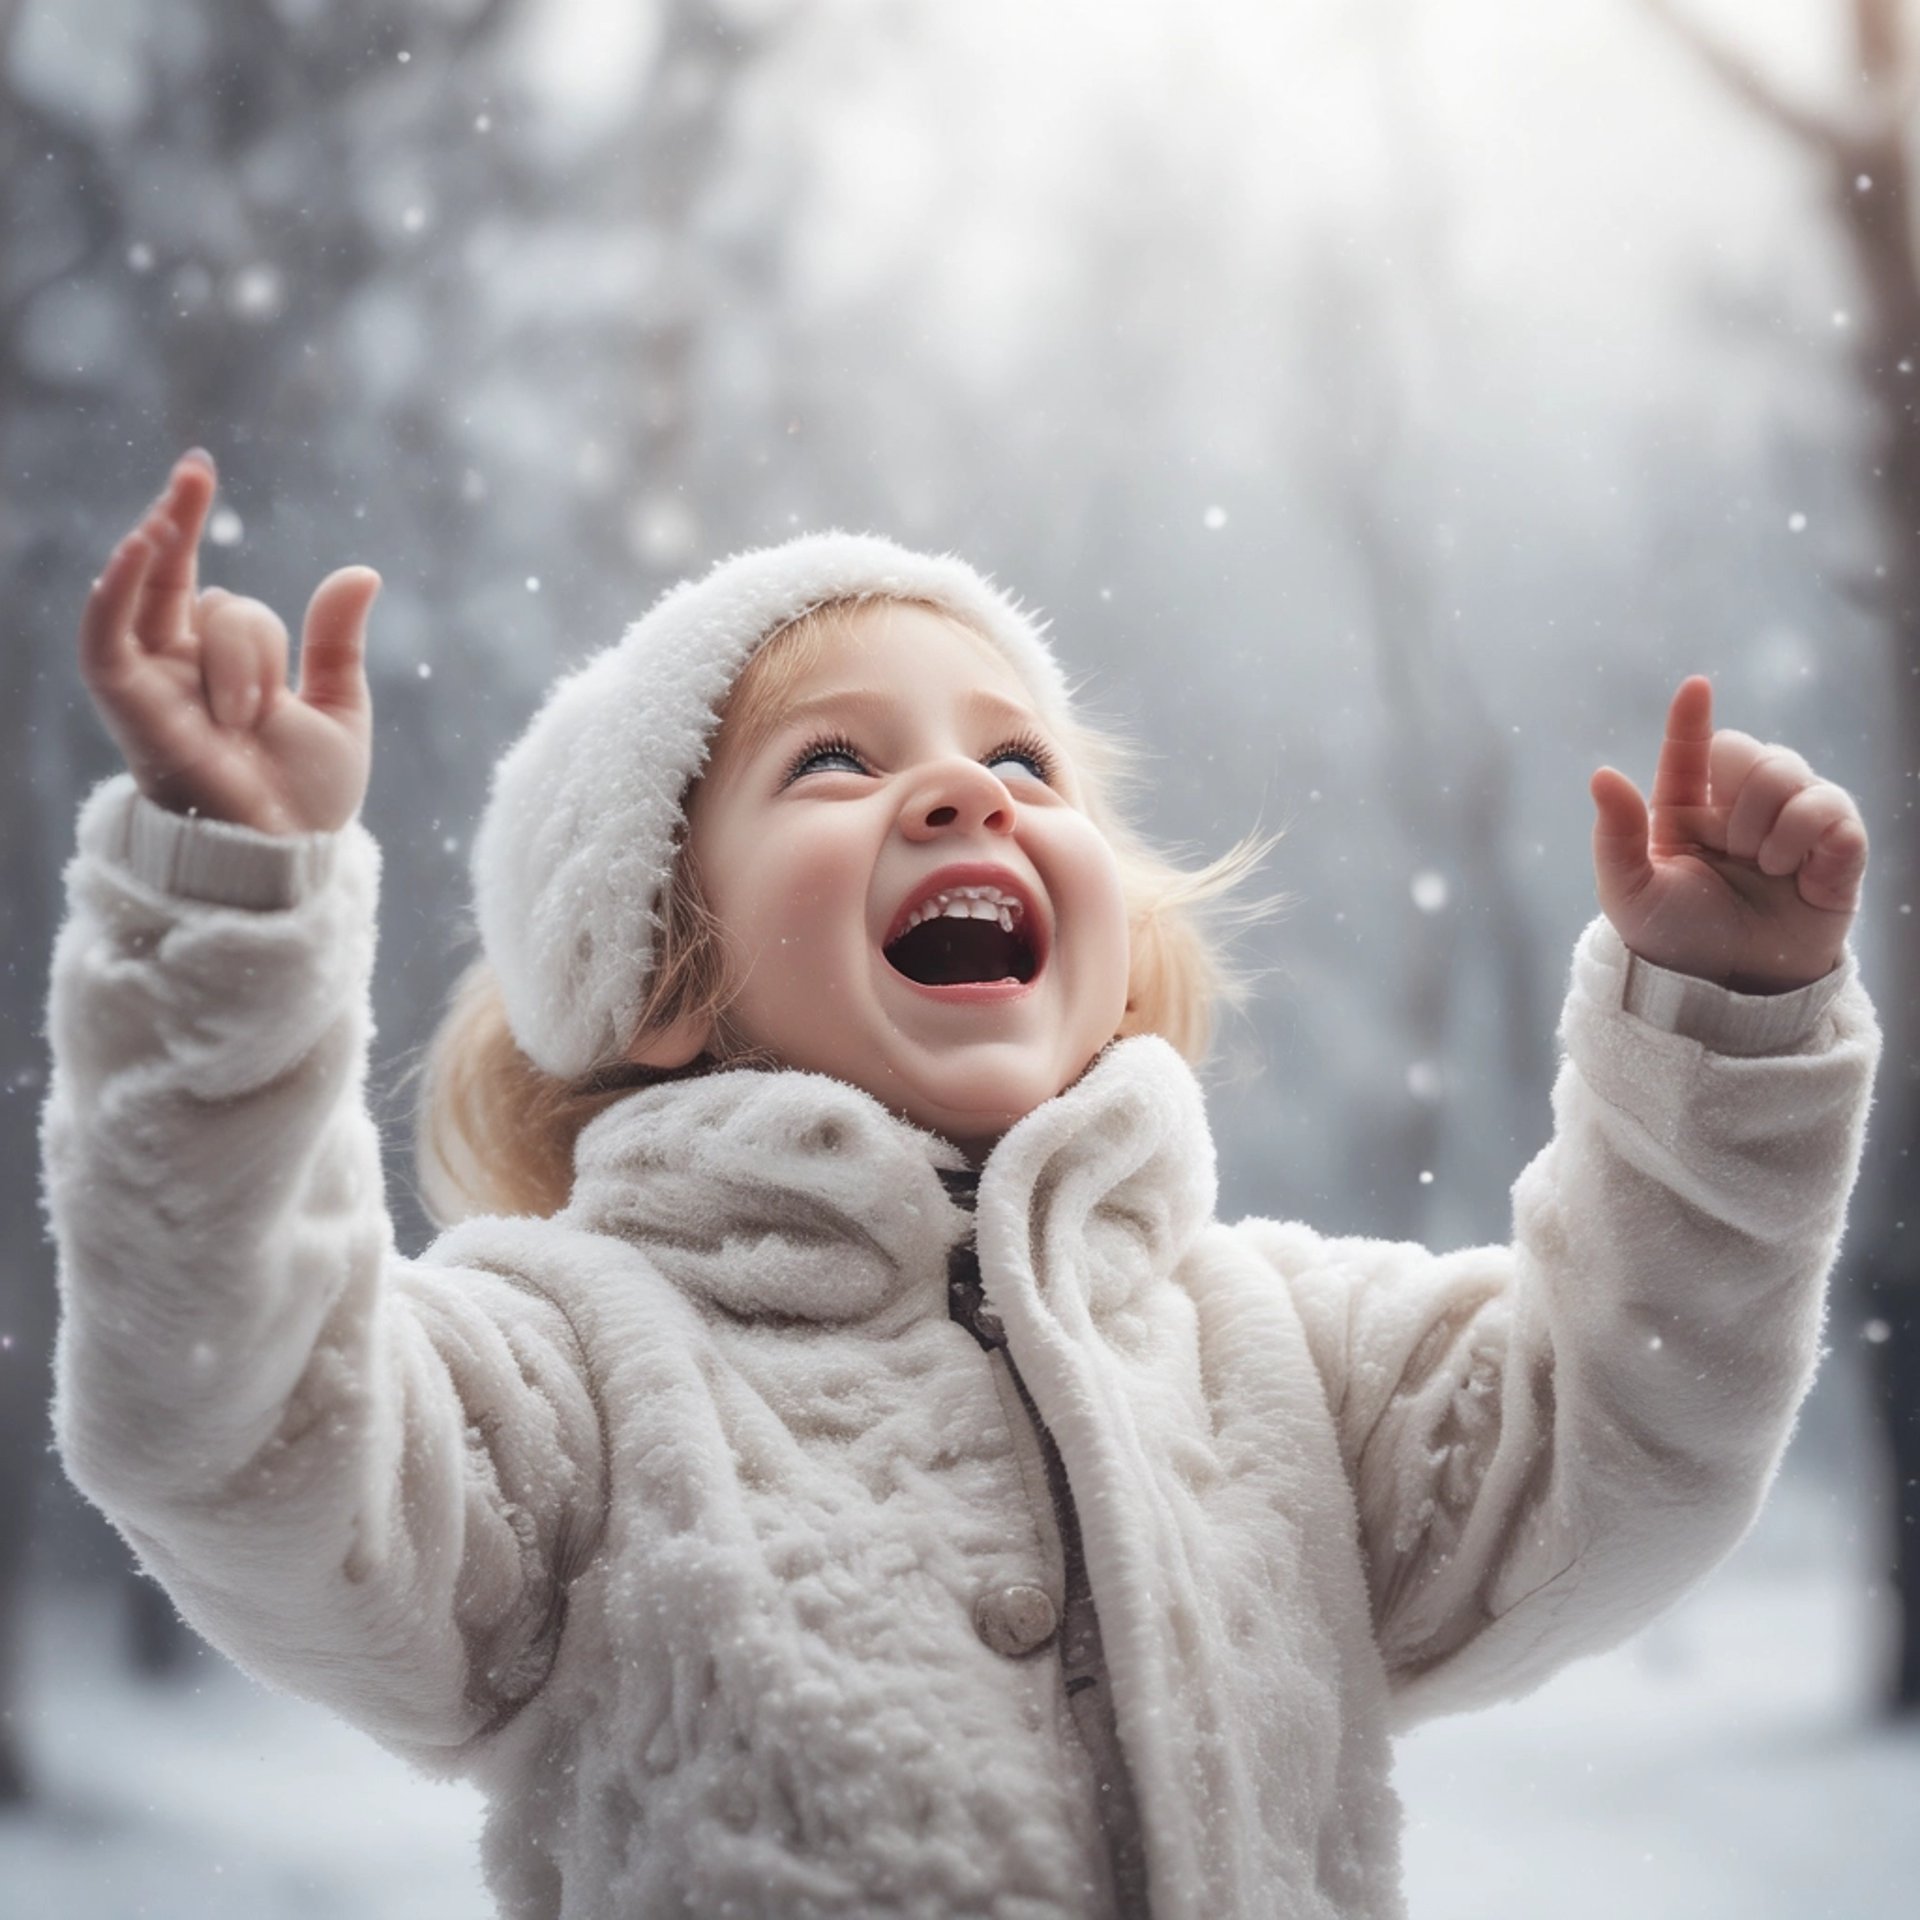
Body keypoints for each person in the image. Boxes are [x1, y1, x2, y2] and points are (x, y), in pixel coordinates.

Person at [43, 447, 1881, 1920]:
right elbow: (242, 1425)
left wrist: (1716, 1027)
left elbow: (1626, 1445)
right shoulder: (576, 1372)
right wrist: (228, 917)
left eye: (1018, 756)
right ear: (660, 976)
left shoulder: (1273, 1360)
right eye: (833, 758)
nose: (961, 795)